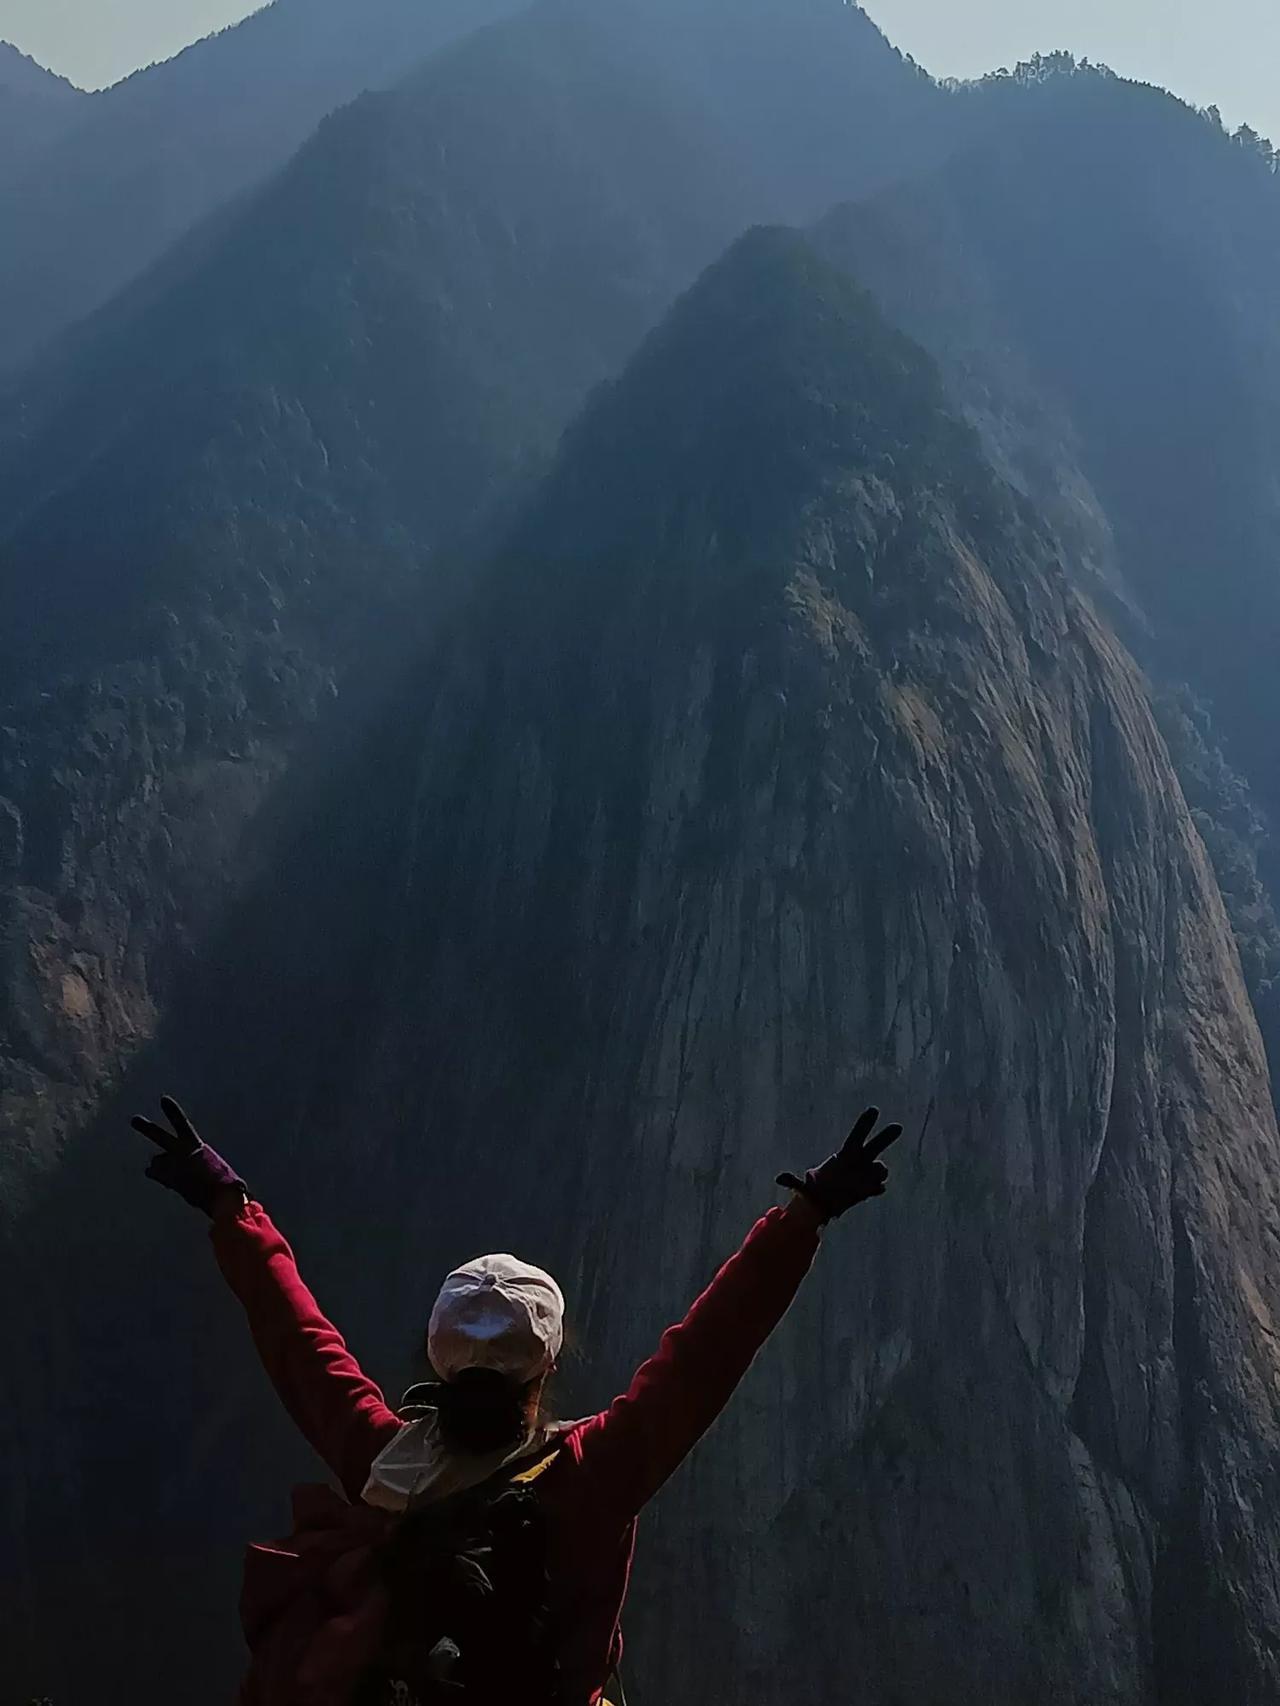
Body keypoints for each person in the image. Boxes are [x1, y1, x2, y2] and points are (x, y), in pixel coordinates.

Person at [131, 1096, 904, 1706]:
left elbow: (299, 1340)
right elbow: (706, 1354)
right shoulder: (594, 1474)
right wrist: (805, 1215)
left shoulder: (379, 1459)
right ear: (550, 1361)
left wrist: (229, 1204)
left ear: (435, 1356)